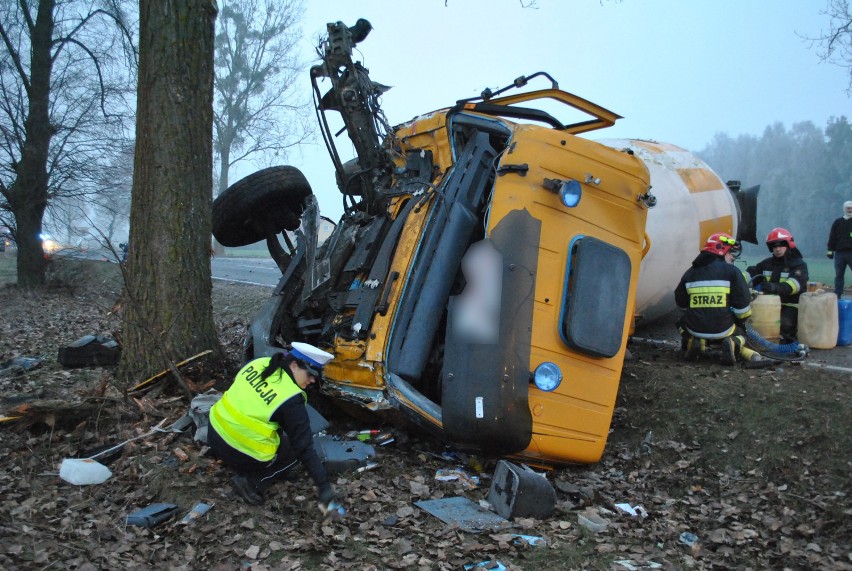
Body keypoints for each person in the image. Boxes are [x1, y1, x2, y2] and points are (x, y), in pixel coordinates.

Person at [208, 342, 340, 507]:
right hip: (236, 450)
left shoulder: (259, 363)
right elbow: (304, 448)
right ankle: (252, 483)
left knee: (279, 433)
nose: (313, 380)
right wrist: (324, 487)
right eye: (310, 374)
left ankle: (262, 466)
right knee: (295, 451)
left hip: (213, 432)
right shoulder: (291, 400)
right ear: (294, 365)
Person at [675, 232, 763, 365]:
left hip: (695, 328)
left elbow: (680, 302)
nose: (732, 257)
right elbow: (743, 306)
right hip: (724, 329)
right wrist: (741, 320)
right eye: (730, 253)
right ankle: (733, 343)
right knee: (742, 331)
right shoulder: (732, 272)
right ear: (721, 250)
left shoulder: (690, 273)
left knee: (680, 322)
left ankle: (694, 342)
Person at [747, 228, 809, 344]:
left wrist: (775, 288)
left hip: (790, 305)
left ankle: (787, 346)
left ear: (789, 244)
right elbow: (752, 274)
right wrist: (735, 276)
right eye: (774, 246)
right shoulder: (766, 263)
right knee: (752, 321)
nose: (778, 249)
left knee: (783, 325)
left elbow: (795, 285)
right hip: (768, 305)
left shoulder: (798, 265)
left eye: (781, 245)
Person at [827, 200, 852, 298]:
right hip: (839, 254)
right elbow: (832, 237)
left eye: (851, 208)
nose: (850, 210)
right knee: (839, 275)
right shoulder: (838, 222)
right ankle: (838, 294)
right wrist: (830, 250)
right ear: (844, 209)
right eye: (848, 208)